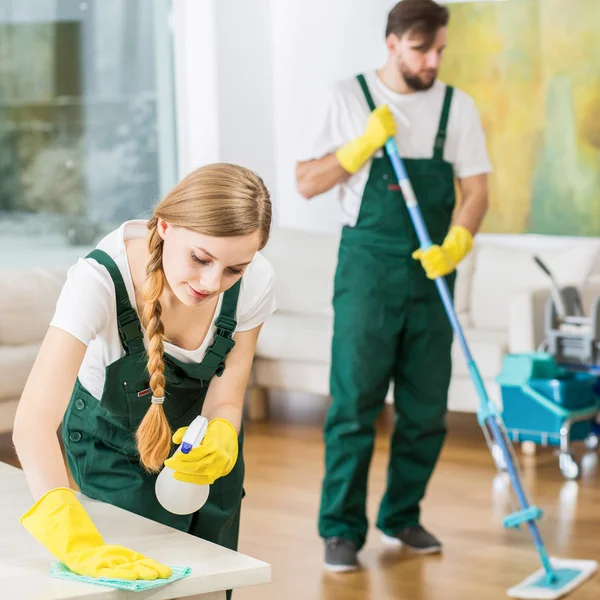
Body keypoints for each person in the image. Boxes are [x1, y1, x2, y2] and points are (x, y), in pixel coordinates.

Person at [13, 163, 275, 593]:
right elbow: (33, 426)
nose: (213, 283)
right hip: (116, 445)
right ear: (166, 226)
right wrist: (75, 543)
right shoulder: (98, 280)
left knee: (212, 580)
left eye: (234, 270)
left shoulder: (257, 280)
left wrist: (224, 431)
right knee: (140, 582)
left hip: (202, 449)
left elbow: (227, 396)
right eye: (200, 258)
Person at [296, 0, 491, 572]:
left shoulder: (458, 108)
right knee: (354, 405)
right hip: (367, 271)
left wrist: (457, 242)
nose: (432, 61)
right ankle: (340, 530)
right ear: (391, 43)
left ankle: (402, 514)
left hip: (432, 272)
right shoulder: (347, 97)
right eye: (420, 50)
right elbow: (305, 181)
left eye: (439, 51)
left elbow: (476, 191)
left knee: (426, 409)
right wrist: (356, 149)